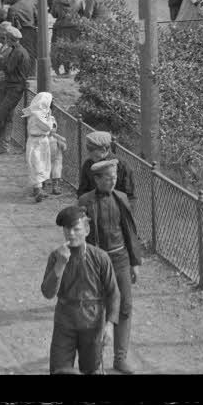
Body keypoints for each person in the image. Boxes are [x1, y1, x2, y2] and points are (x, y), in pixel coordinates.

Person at [77, 159, 141, 374]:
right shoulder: (85, 201)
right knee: (98, 309)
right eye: (108, 178)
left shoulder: (121, 198)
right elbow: (78, 235)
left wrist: (134, 262)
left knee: (125, 307)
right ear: (96, 179)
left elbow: (129, 232)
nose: (113, 181)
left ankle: (120, 358)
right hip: (97, 262)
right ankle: (95, 360)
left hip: (120, 259)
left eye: (115, 177)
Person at [41, 204, 121, 375]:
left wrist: (110, 325)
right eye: (67, 230)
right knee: (59, 370)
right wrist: (60, 266)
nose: (71, 234)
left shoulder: (100, 257)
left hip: (92, 323)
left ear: (86, 230)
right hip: (65, 322)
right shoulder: (56, 256)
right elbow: (48, 293)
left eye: (76, 229)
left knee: (91, 370)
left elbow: (113, 293)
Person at [0, 23, 33, 154]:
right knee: (1, 116)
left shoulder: (18, 52)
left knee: (0, 116)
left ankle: (3, 145)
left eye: (6, 37)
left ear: (10, 38)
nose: (4, 39)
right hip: (9, 86)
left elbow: (8, 69)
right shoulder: (14, 50)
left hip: (14, 88)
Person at [76, 131, 136, 200]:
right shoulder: (88, 164)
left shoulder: (122, 166)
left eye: (91, 149)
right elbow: (82, 191)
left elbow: (130, 196)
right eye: (87, 148)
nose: (88, 152)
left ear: (103, 150)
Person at [23, 91, 59, 202]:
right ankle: (38, 190)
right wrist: (50, 118)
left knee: (43, 164)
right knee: (37, 164)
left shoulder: (43, 113)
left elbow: (53, 127)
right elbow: (48, 127)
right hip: (36, 141)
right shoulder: (38, 114)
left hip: (43, 141)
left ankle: (38, 189)